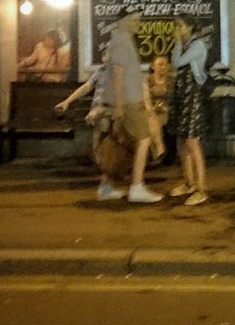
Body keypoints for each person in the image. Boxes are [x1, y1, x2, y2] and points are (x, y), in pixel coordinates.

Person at [108, 13, 165, 203]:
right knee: (143, 139)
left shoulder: (123, 40)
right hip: (129, 101)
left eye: (138, 20)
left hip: (129, 100)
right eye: (133, 20)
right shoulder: (122, 42)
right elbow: (117, 74)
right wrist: (119, 104)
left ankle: (107, 186)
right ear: (122, 22)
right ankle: (137, 186)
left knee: (124, 143)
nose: (138, 24)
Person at [57, 49, 129, 199]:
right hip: (100, 113)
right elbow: (86, 87)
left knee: (109, 148)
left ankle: (106, 185)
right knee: (103, 148)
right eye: (105, 54)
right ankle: (106, 186)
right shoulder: (100, 72)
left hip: (111, 113)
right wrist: (67, 101)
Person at [170, 16, 210, 205]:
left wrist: (177, 43)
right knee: (181, 140)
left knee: (192, 141)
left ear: (190, 27)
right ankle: (189, 183)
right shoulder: (184, 45)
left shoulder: (197, 45)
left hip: (193, 96)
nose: (177, 29)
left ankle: (201, 189)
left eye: (180, 26)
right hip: (181, 96)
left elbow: (177, 63)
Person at [144, 55, 175, 166]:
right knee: (150, 118)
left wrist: (163, 107)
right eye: (160, 64)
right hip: (151, 110)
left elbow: (173, 98)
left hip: (167, 110)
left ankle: (157, 152)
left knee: (153, 120)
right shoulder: (148, 80)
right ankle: (158, 150)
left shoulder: (172, 81)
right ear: (153, 66)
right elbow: (145, 97)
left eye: (165, 64)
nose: (163, 67)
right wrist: (151, 108)